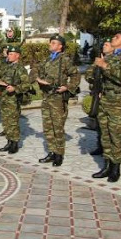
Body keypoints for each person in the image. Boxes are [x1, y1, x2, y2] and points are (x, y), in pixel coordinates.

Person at [90, 31, 121, 182]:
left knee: (116, 136)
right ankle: (107, 165)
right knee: (105, 135)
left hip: (117, 103)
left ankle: (116, 168)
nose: (113, 38)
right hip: (104, 101)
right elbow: (92, 76)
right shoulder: (110, 56)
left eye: (117, 37)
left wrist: (104, 66)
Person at [36, 34, 80, 166]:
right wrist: (38, 80)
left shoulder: (65, 60)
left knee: (58, 127)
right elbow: (37, 71)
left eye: (54, 43)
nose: (51, 44)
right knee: (48, 127)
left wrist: (67, 87)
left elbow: (75, 75)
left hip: (57, 98)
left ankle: (59, 154)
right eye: (51, 42)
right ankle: (51, 151)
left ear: (60, 46)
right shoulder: (47, 60)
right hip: (46, 97)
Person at [0, 45, 31, 154]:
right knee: (6, 121)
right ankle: (9, 141)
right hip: (4, 98)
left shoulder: (20, 69)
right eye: (9, 53)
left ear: (17, 56)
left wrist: (15, 88)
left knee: (13, 122)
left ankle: (14, 143)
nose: (9, 55)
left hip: (13, 99)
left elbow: (26, 85)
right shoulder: (7, 66)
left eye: (11, 54)